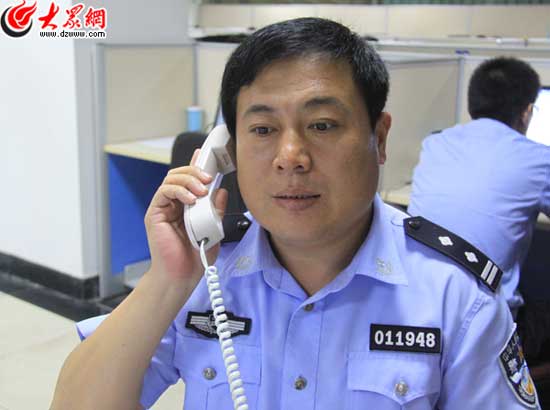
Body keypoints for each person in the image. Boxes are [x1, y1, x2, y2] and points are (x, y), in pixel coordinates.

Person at [51, 19, 539, 410]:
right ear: (227, 150)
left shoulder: (457, 298)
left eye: (322, 125)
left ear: (379, 138)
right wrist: (167, 280)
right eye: (262, 130)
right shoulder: (205, 272)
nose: (291, 157)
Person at [407, 57, 550, 358]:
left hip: (418, 315)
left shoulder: (435, 144)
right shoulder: (538, 159)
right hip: (489, 331)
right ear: (526, 112)